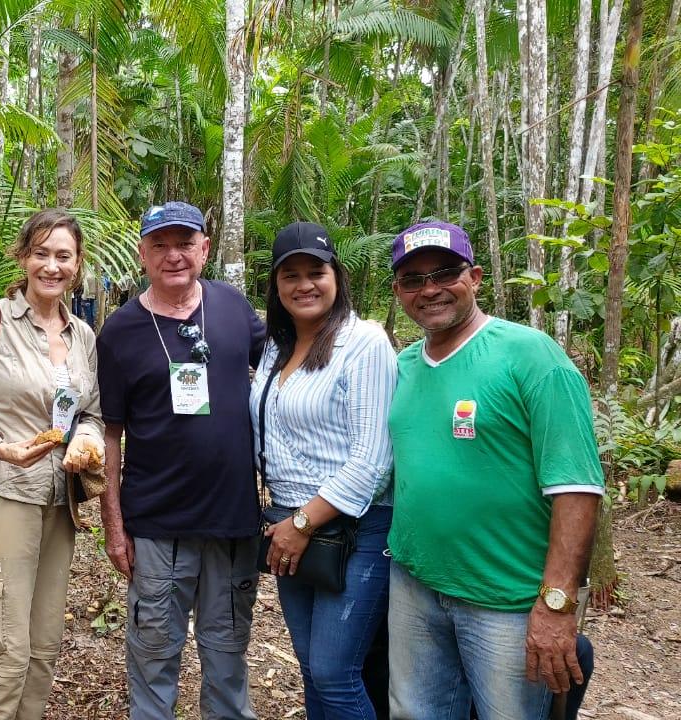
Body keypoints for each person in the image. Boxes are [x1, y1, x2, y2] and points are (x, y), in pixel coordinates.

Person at [386, 221, 604, 719]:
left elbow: (577, 486)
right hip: (415, 582)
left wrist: (556, 604)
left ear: (476, 276)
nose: (430, 289)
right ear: (399, 291)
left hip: (505, 599)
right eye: (414, 279)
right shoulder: (403, 366)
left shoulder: (530, 355)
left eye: (444, 273)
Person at [96, 201, 267, 720]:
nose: (174, 255)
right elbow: (109, 434)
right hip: (157, 523)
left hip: (233, 522)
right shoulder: (121, 331)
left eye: (185, 243)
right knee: (153, 658)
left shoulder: (235, 309)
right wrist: (114, 527)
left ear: (205, 249)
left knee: (228, 656)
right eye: (161, 245)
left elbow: (288, 374)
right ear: (143, 253)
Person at [0, 208, 106, 719]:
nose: (52, 266)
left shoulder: (83, 336)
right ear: (24, 257)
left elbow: (90, 413)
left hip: (58, 504)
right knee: (0, 651)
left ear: (77, 265)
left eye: (63, 256)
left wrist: (87, 441)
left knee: (42, 649)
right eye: (41, 254)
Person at [251, 222, 396, 719]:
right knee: (312, 666)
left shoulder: (365, 343)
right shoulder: (277, 345)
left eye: (316, 271)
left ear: (337, 276)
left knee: (336, 673)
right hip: (288, 522)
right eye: (290, 275)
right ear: (276, 286)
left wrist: (302, 523)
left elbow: (373, 459)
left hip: (353, 527)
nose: (304, 284)